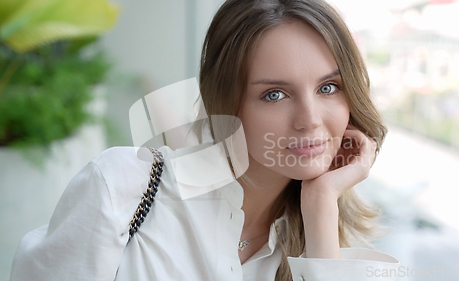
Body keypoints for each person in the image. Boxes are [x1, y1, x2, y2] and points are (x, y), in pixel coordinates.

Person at [10, 0, 400, 280]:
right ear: (228, 103)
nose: (310, 121)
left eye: (329, 87)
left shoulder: (320, 237)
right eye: (274, 95)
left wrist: (319, 206)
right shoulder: (121, 187)